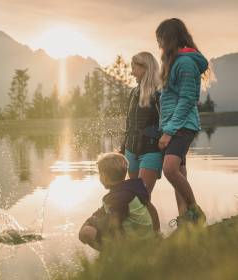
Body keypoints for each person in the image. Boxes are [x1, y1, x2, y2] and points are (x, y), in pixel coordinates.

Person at [156, 18, 208, 227]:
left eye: (160, 39)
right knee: (179, 172)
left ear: (169, 38)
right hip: (174, 125)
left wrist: (168, 131)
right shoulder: (173, 62)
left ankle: (195, 211)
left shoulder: (185, 63)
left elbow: (187, 99)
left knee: (170, 170)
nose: (158, 44)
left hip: (182, 126)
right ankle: (185, 219)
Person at [120, 52, 162, 232]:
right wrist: (123, 148)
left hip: (151, 150)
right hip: (131, 150)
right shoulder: (134, 91)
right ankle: (141, 237)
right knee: (134, 198)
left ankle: (156, 234)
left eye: (134, 68)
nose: (132, 73)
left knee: (142, 198)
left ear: (145, 68)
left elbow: (166, 122)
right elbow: (129, 123)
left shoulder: (159, 93)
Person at [79, 153, 155, 251]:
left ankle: (116, 259)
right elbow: (102, 211)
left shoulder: (118, 198)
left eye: (100, 174)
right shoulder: (132, 189)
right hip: (145, 240)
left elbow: (112, 226)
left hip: (136, 247)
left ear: (105, 176)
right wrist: (157, 233)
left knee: (86, 233)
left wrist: (90, 223)